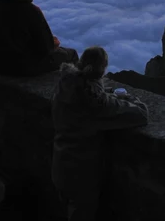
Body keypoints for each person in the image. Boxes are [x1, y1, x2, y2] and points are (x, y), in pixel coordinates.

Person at [51, 46, 148, 221]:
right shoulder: (95, 102)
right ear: (103, 70)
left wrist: (106, 93)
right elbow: (140, 114)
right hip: (81, 174)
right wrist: (130, 98)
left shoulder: (66, 84)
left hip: (59, 164)